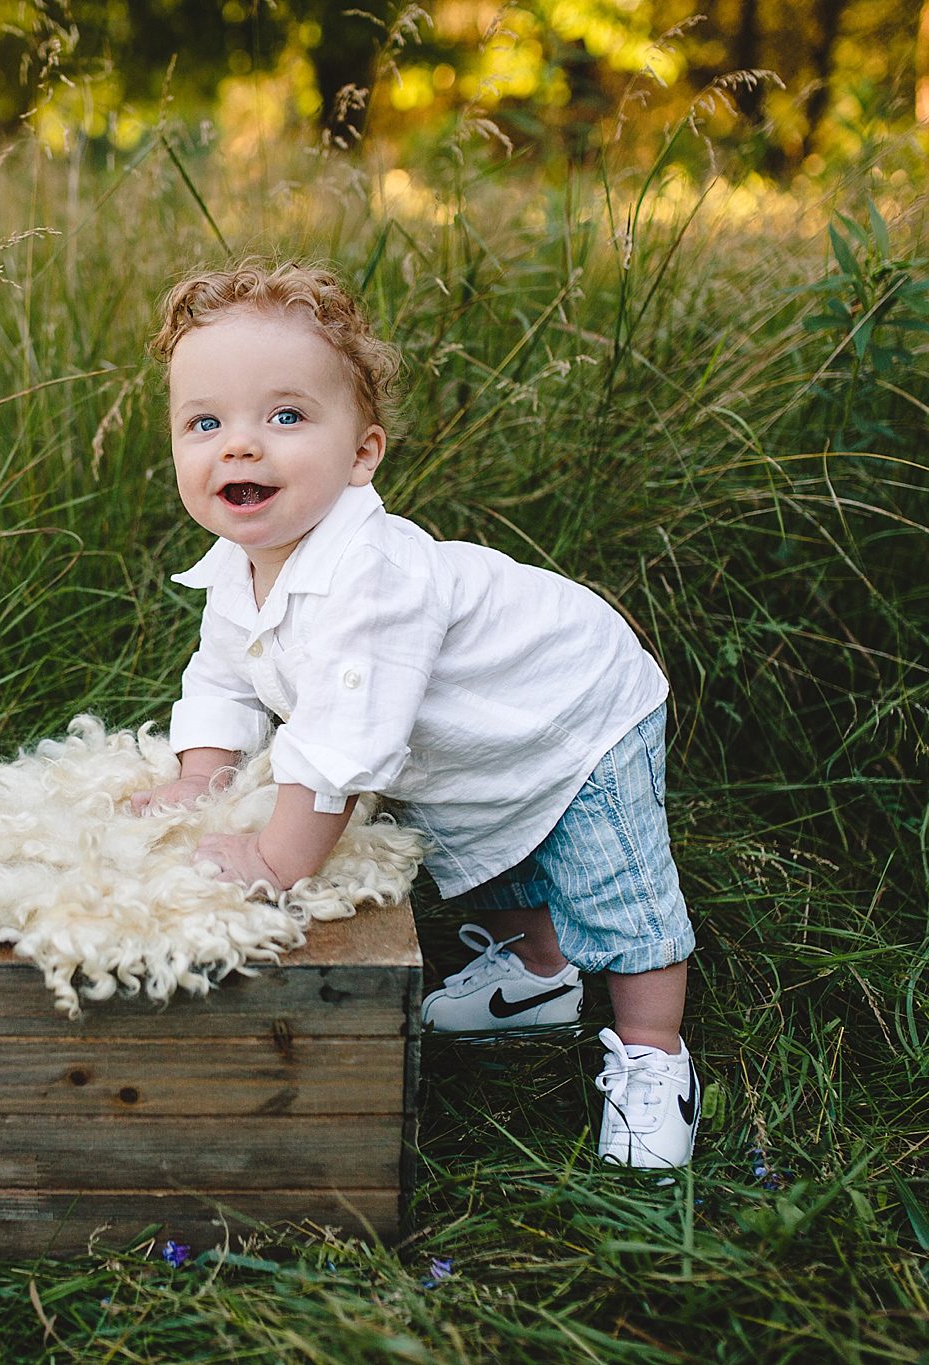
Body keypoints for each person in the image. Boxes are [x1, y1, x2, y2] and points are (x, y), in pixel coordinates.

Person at [128, 260, 700, 1169]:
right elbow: (223, 679)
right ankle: (537, 977)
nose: (239, 446)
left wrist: (278, 860)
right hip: (480, 741)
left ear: (362, 454)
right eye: (206, 422)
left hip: (575, 712)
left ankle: (652, 1055)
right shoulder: (240, 570)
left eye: (285, 416)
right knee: (490, 851)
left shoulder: (374, 580)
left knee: (611, 887)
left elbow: (344, 745)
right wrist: (202, 771)